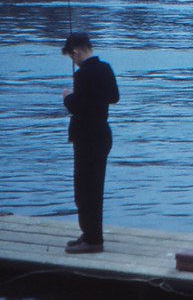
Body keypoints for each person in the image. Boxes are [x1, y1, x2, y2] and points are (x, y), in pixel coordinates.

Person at [61, 32, 120, 254]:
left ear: (76, 51)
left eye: (71, 56)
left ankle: (93, 240)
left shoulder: (83, 75)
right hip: (103, 135)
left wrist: (68, 96)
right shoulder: (105, 68)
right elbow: (114, 97)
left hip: (87, 138)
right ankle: (89, 234)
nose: (73, 61)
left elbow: (78, 107)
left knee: (84, 191)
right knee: (94, 189)